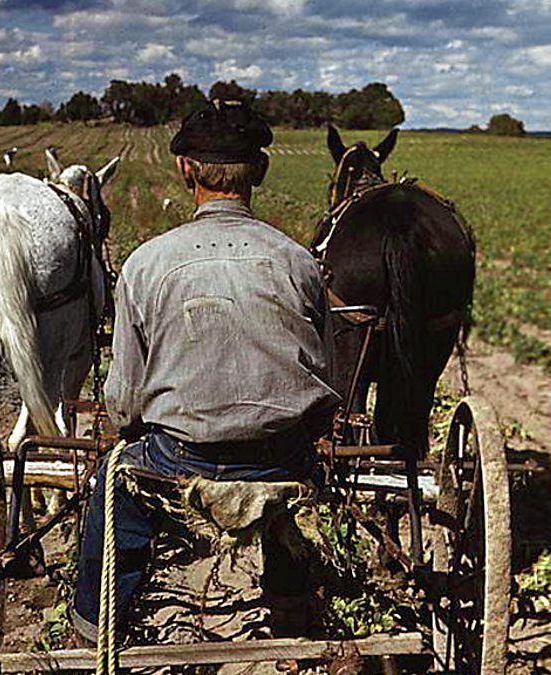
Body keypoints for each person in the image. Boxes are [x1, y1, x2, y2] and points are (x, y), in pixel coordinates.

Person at [69, 100, 341, 643]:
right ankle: (289, 601)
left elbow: (123, 402)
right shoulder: (298, 262)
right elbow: (326, 373)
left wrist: (132, 429)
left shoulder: (147, 263)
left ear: (185, 169)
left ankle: (95, 628)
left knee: (112, 489)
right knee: (295, 477)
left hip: (181, 458)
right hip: (281, 456)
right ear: (259, 172)